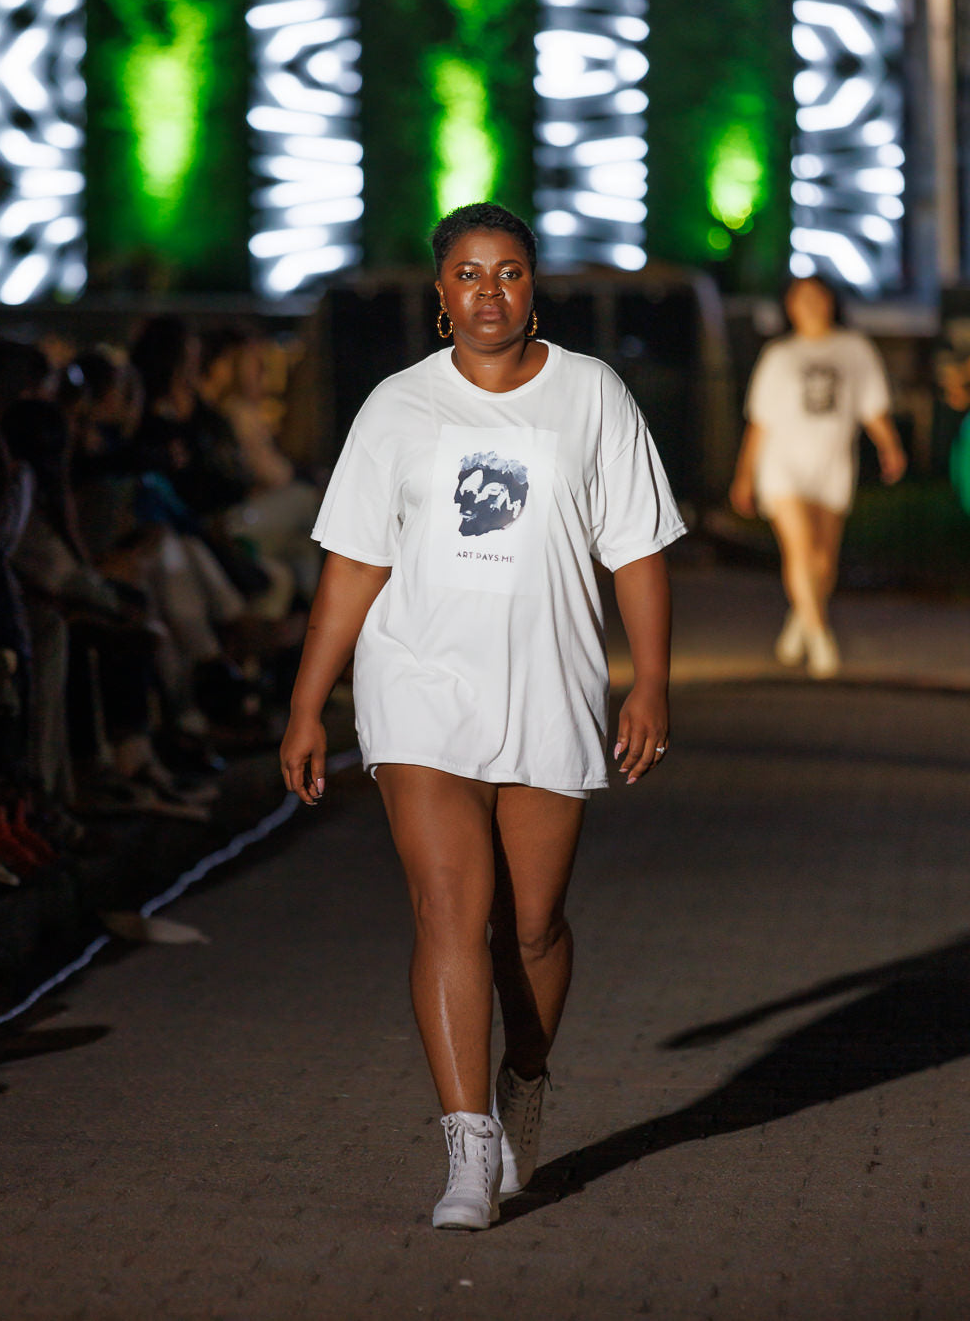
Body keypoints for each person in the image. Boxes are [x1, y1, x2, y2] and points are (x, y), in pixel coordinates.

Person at [280, 202, 685, 1230]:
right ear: (439, 296)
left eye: (508, 272)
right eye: (468, 274)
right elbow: (355, 565)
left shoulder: (592, 395)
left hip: (548, 683)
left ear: (533, 286)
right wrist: (306, 704)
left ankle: (527, 1079)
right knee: (448, 907)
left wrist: (649, 681)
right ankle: (466, 1151)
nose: (489, 292)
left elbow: (636, 547)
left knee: (534, 927)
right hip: (418, 681)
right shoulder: (396, 408)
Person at [729, 274, 907, 678]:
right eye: (800, 297)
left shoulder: (854, 349)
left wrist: (890, 446)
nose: (809, 304)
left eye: (817, 296)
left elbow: (872, 407)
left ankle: (801, 619)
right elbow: (759, 422)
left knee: (824, 560)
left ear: (831, 301)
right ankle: (821, 637)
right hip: (783, 466)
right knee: (802, 551)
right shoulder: (779, 355)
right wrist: (744, 476)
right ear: (789, 306)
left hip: (833, 465)